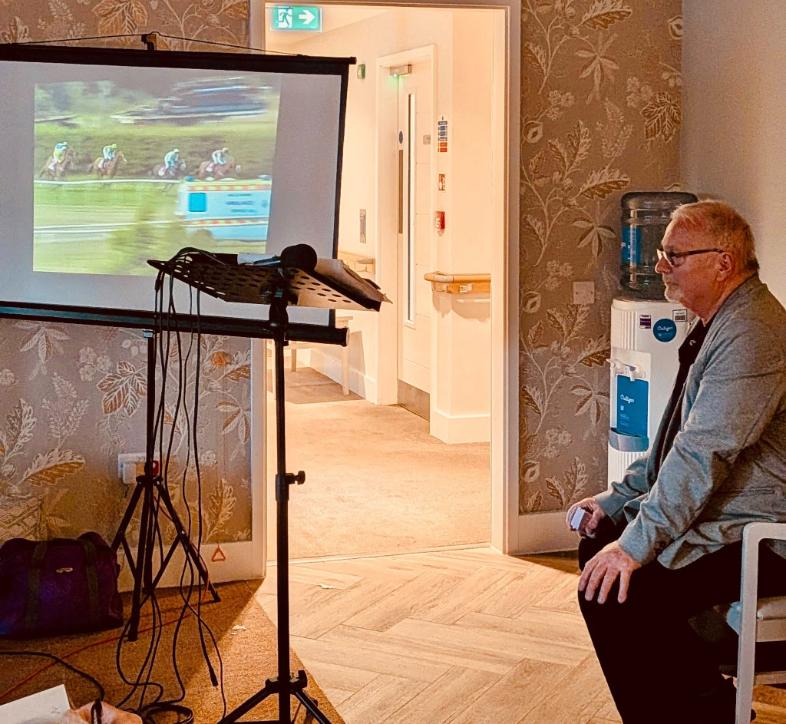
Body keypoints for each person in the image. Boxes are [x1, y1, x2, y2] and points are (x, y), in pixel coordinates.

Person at [566, 200, 786, 723]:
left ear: (723, 262)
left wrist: (637, 544)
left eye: (673, 256)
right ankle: (699, 705)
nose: (660, 266)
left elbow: (704, 452)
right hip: (726, 515)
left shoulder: (754, 331)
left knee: (619, 589)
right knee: (599, 547)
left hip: (763, 533)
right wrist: (617, 502)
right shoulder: (717, 322)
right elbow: (674, 439)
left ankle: (696, 711)